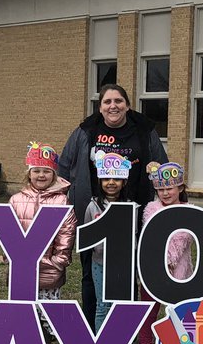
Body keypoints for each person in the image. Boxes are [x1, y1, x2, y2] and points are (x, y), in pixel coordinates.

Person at [59, 83, 167, 326]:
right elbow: (64, 166)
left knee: (128, 270)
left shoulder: (144, 129)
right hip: (92, 211)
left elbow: (160, 166)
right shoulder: (86, 130)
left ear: (127, 105)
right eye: (107, 102)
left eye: (118, 101)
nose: (113, 106)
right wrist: (66, 198)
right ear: (100, 107)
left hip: (134, 210)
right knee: (91, 271)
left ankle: (123, 328)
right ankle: (91, 325)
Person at [9, 142, 76, 338]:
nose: (41, 175)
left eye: (46, 171)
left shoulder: (61, 200)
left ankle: (45, 342)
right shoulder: (16, 199)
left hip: (50, 265)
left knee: (48, 309)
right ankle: (23, 342)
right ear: (29, 173)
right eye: (36, 170)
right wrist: (11, 257)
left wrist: (59, 260)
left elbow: (67, 232)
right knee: (22, 307)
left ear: (54, 174)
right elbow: (7, 230)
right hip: (22, 266)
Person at [137, 161, 192, 344]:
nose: (165, 193)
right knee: (149, 308)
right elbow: (153, 235)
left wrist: (170, 260)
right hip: (153, 269)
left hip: (179, 270)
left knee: (178, 308)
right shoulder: (151, 209)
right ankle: (145, 343)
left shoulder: (189, 210)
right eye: (160, 189)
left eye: (169, 188)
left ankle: (177, 342)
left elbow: (183, 237)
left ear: (180, 188)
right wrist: (163, 260)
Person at [84, 149, 131, 332]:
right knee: (102, 305)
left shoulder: (130, 206)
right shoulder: (92, 205)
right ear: (100, 181)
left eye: (116, 179)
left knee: (120, 306)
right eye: (106, 179)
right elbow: (86, 234)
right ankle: (101, 343)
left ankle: (119, 340)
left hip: (122, 265)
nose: (111, 183)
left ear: (124, 181)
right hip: (100, 264)